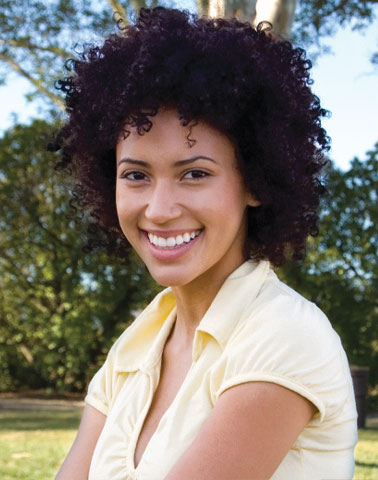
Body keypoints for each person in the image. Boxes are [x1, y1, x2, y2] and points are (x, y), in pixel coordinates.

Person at [54, 7, 357, 480]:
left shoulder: (285, 336)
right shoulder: (138, 345)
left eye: (194, 173)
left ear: (255, 182)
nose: (158, 208)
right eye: (135, 174)